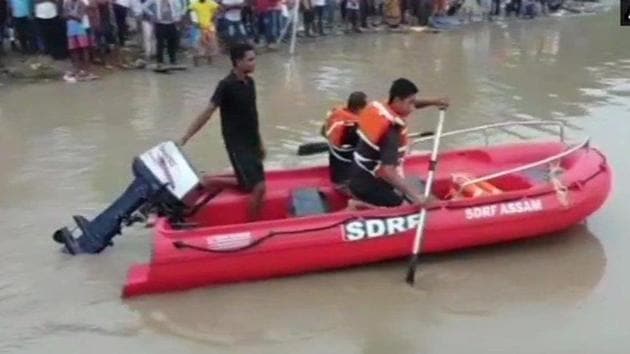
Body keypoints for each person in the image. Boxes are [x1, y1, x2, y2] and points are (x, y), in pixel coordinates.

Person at [178, 43, 266, 220]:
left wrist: (260, 142)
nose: (254, 63)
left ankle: (206, 181)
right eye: (250, 60)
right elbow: (208, 112)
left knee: (249, 186)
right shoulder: (226, 85)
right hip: (237, 143)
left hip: (251, 141)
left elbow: (252, 115)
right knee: (259, 187)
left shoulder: (250, 83)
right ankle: (253, 226)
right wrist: (186, 136)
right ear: (238, 62)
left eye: (254, 59)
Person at [348, 78, 448, 208]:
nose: (413, 108)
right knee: (405, 207)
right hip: (367, 184)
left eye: (414, 102)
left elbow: (413, 103)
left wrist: (434, 102)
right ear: (397, 100)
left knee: (403, 193)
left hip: (359, 173)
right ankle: (358, 205)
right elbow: (387, 171)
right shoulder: (391, 132)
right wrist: (416, 197)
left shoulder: (383, 107)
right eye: (410, 103)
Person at [321, 91, 367, 188]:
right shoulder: (354, 127)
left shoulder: (335, 114)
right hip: (345, 181)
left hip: (335, 172)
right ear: (359, 108)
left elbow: (323, 132)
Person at [142, 0, 186, 71]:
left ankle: (172, 60)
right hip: (159, 23)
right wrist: (151, 14)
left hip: (171, 23)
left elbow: (180, 7)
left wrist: (178, 16)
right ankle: (160, 61)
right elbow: (144, 6)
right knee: (160, 43)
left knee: (172, 42)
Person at [189, 0, 219, 65]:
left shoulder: (211, 2)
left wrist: (214, 19)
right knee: (199, 45)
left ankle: (209, 61)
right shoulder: (194, 4)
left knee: (210, 44)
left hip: (209, 26)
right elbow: (191, 13)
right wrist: (195, 22)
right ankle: (196, 60)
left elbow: (217, 10)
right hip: (199, 27)